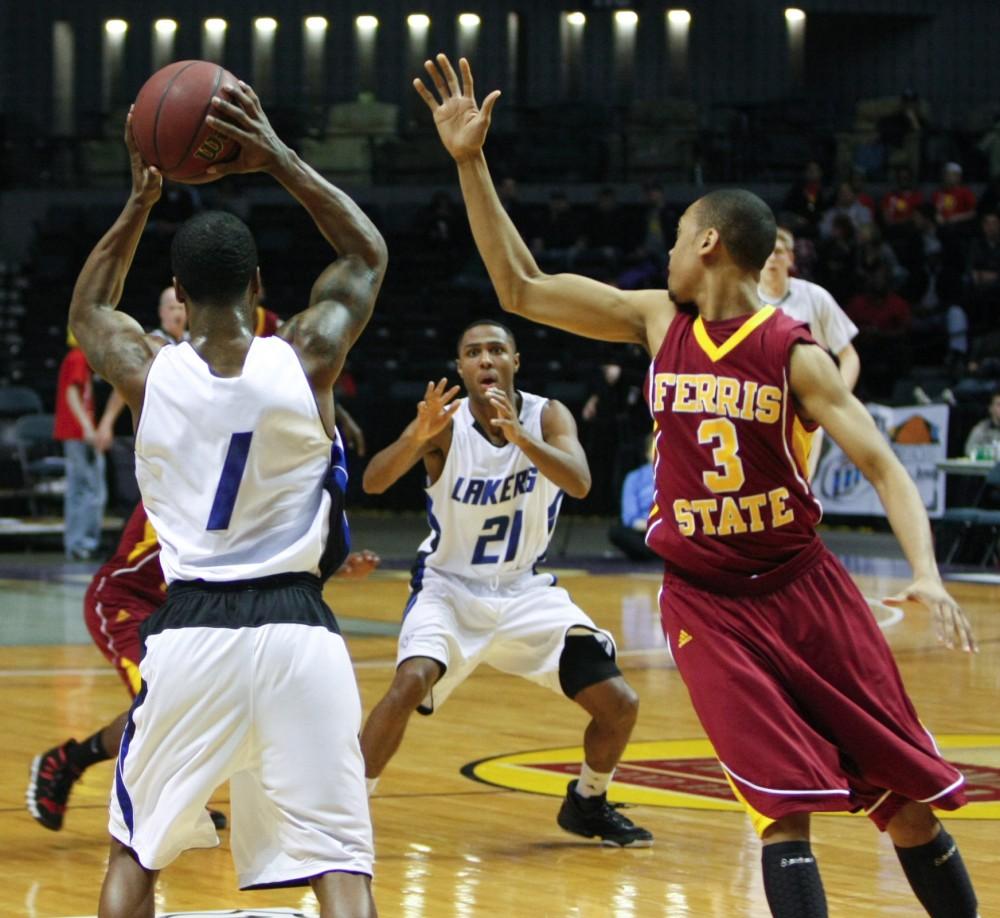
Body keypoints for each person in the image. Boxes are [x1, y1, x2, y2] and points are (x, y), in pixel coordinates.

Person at [414, 54, 979, 917]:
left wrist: (929, 574)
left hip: (802, 587)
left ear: (709, 244)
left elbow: (884, 466)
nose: (669, 250)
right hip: (708, 601)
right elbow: (520, 288)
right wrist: (469, 163)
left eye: (678, 235)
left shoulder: (797, 354)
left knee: (901, 805)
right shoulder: (655, 319)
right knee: (780, 812)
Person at [68, 82, 386, 917]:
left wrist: (141, 201)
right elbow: (365, 255)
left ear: (178, 285)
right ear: (258, 286)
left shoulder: (146, 370)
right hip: (298, 631)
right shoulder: (307, 353)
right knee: (340, 861)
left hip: (192, 630)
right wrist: (279, 157)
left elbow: (89, 309)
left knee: (136, 853)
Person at [359, 319, 653, 848]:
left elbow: (581, 483)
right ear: (460, 367)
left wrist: (520, 436)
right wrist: (414, 438)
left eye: (497, 349)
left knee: (620, 703)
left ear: (516, 361)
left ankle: (588, 802)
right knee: (408, 683)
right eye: (473, 352)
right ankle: (347, 810)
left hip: (525, 591)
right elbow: (374, 481)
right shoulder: (444, 424)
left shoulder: (548, 415)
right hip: (449, 587)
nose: (486, 359)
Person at [27, 500, 380, 833]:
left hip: (194, 608)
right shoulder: (190, 463)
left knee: (217, 700)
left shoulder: (249, 472)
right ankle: (73, 764)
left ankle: (178, 791)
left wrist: (327, 564)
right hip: (127, 599)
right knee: (162, 705)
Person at [758, 226, 860, 474]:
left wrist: (836, 398)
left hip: (806, 406)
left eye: (779, 252)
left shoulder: (815, 297)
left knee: (800, 488)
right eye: (766, 252)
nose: (772, 257)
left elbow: (849, 357)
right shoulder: (743, 299)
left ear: (791, 258)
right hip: (757, 404)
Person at [53, 331, 115, 560]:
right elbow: (72, 393)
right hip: (77, 433)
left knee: (88, 488)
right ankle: (81, 543)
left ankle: (83, 542)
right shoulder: (78, 357)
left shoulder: (80, 358)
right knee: (86, 488)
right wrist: (87, 427)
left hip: (78, 431)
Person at [607, 434, 657, 561]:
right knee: (617, 532)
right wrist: (649, 524)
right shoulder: (634, 477)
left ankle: (655, 553)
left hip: (668, 529)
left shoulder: (675, 475)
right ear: (647, 453)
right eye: (655, 448)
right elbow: (629, 516)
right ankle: (655, 553)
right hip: (643, 529)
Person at [963, 389, 1000, 459]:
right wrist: (992, 453)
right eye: (999, 405)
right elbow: (968, 450)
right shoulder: (981, 428)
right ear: (991, 408)